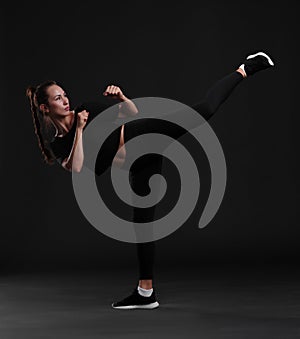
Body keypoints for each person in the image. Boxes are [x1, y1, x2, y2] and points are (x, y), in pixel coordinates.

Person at [26, 51, 275, 310]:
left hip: (143, 135)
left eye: (64, 95)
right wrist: (78, 128)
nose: (65, 100)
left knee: (204, 111)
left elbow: (131, 114)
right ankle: (146, 293)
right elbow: (75, 166)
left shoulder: (86, 109)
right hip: (141, 164)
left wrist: (122, 98)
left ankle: (245, 68)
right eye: (58, 98)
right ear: (45, 108)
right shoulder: (60, 143)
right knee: (142, 226)